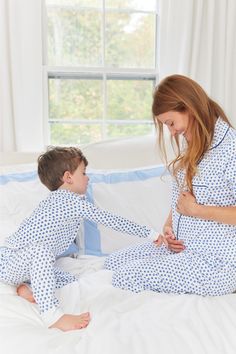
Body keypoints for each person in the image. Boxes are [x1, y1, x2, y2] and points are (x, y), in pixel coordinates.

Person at [0, 147, 163, 332]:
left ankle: (23, 286)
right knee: (41, 251)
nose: (87, 178)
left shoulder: (58, 201)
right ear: (68, 177)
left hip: (22, 266)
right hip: (8, 262)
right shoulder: (68, 201)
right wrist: (151, 233)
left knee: (67, 279)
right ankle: (52, 315)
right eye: (83, 173)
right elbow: (112, 220)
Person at [104, 74, 236, 296]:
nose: (172, 132)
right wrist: (169, 227)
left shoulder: (230, 149)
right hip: (183, 249)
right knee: (113, 262)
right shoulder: (195, 140)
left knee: (125, 276)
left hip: (216, 263)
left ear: (189, 107)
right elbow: (183, 197)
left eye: (171, 123)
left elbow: (194, 206)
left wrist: (197, 211)